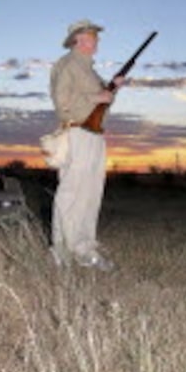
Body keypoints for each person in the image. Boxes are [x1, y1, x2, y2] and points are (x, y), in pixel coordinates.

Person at [49, 19, 124, 271]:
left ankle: (84, 248)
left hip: (94, 134)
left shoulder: (90, 71)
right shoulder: (68, 64)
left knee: (91, 193)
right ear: (77, 40)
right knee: (71, 192)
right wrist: (98, 95)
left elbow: (101, 102)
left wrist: (113, 88)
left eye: (96, 36)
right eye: (92, 36)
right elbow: (63, 104)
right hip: (77, 133)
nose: (96, 40)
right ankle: (60, 249)